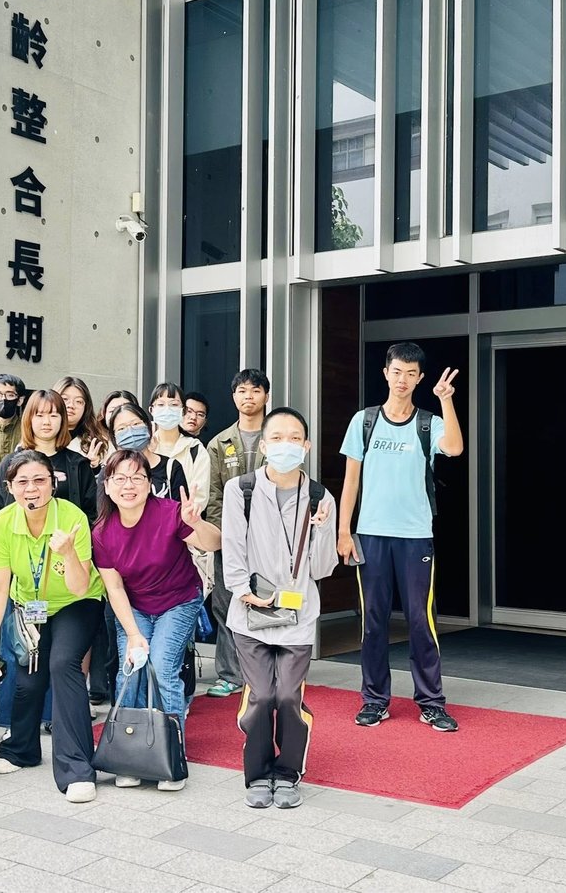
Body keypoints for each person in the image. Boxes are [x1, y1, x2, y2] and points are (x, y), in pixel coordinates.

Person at [337, 342, 463, 732]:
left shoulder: (428, 422)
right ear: (386, 373)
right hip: (371, 536)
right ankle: (375, 700)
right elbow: (350, 481)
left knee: (420, 621)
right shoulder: (364, 421)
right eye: (397, 372)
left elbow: (454, 448)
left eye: (411, 374)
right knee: (373, 622)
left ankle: (431, 702)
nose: (402, 380)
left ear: (420, 378)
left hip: (415, 536)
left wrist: (446, 400)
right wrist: (344, 531)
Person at [221, 407, 338, 810]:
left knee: (288, 696)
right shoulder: (241, 490)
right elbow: (232, 548)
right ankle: (257, 774)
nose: (285, 445)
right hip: (250, 615)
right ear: (264, 445)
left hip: (297, 616)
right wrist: (243, 591)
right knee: (261, 696)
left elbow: (322, 569)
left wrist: (322, 529)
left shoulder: (321, 496)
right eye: (277, 437)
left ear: (306, 445)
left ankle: (287, 773)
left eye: (294, 438)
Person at [91, 451, 221, 791]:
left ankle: (170, 753)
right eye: (120, 478)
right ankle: (129, 753)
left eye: (137, 478)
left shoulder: (171, 513)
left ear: (150, 484)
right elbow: (114, 588)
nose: (128, 485)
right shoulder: (102, 532)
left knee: (163, 667)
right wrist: (134, 634)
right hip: (134, 606)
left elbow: (214, 543)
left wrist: (197, 522)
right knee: (130, 670)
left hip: (178, 601)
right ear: (107, 486)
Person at [0, 452, 105, 803]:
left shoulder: (72, 517)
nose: (31, 489)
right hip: (30, 605)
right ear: (9, 487)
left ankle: (77, 766)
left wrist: (67, 553)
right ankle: (21, 749)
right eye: (22, 482)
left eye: (40, 480)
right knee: (28, 677)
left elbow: (80, 587)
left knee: (63, 663)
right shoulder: (2, 522)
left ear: (53, 483)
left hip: (76, 602)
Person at [205, 369, 271, 699]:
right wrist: (224, 534)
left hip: (269, 537)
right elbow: (213, 493)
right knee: (226, 604)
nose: (248, 396)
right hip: (229, 538)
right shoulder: (219, 443)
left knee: (267, 601)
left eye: (255, 390)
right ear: (233, 397)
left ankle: (266, 671)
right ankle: (230, 674)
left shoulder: (278, 436)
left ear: (266, 396)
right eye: (242, 391)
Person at [0, 389, 97, 523]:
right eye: (39, 415)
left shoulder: (79, 464)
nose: (46, 422)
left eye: (53, 415)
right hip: (16, 535)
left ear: (63, 420)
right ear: (29, 419)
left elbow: (91, 513)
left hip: (66, 535)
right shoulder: (10, 462)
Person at [105, 403, 189, 500]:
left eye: (136, 424)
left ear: (148, 426)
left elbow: (180, 507)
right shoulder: (109, 470)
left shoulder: (171, 467)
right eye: (121, 428)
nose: (130, 431)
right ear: (114, 437)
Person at [55, 376, 107, 470]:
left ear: (86, 408)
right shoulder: (37, 438)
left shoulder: (97, 443)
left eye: (78, 401)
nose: (71, 405)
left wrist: (94, 468)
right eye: (65, 399)